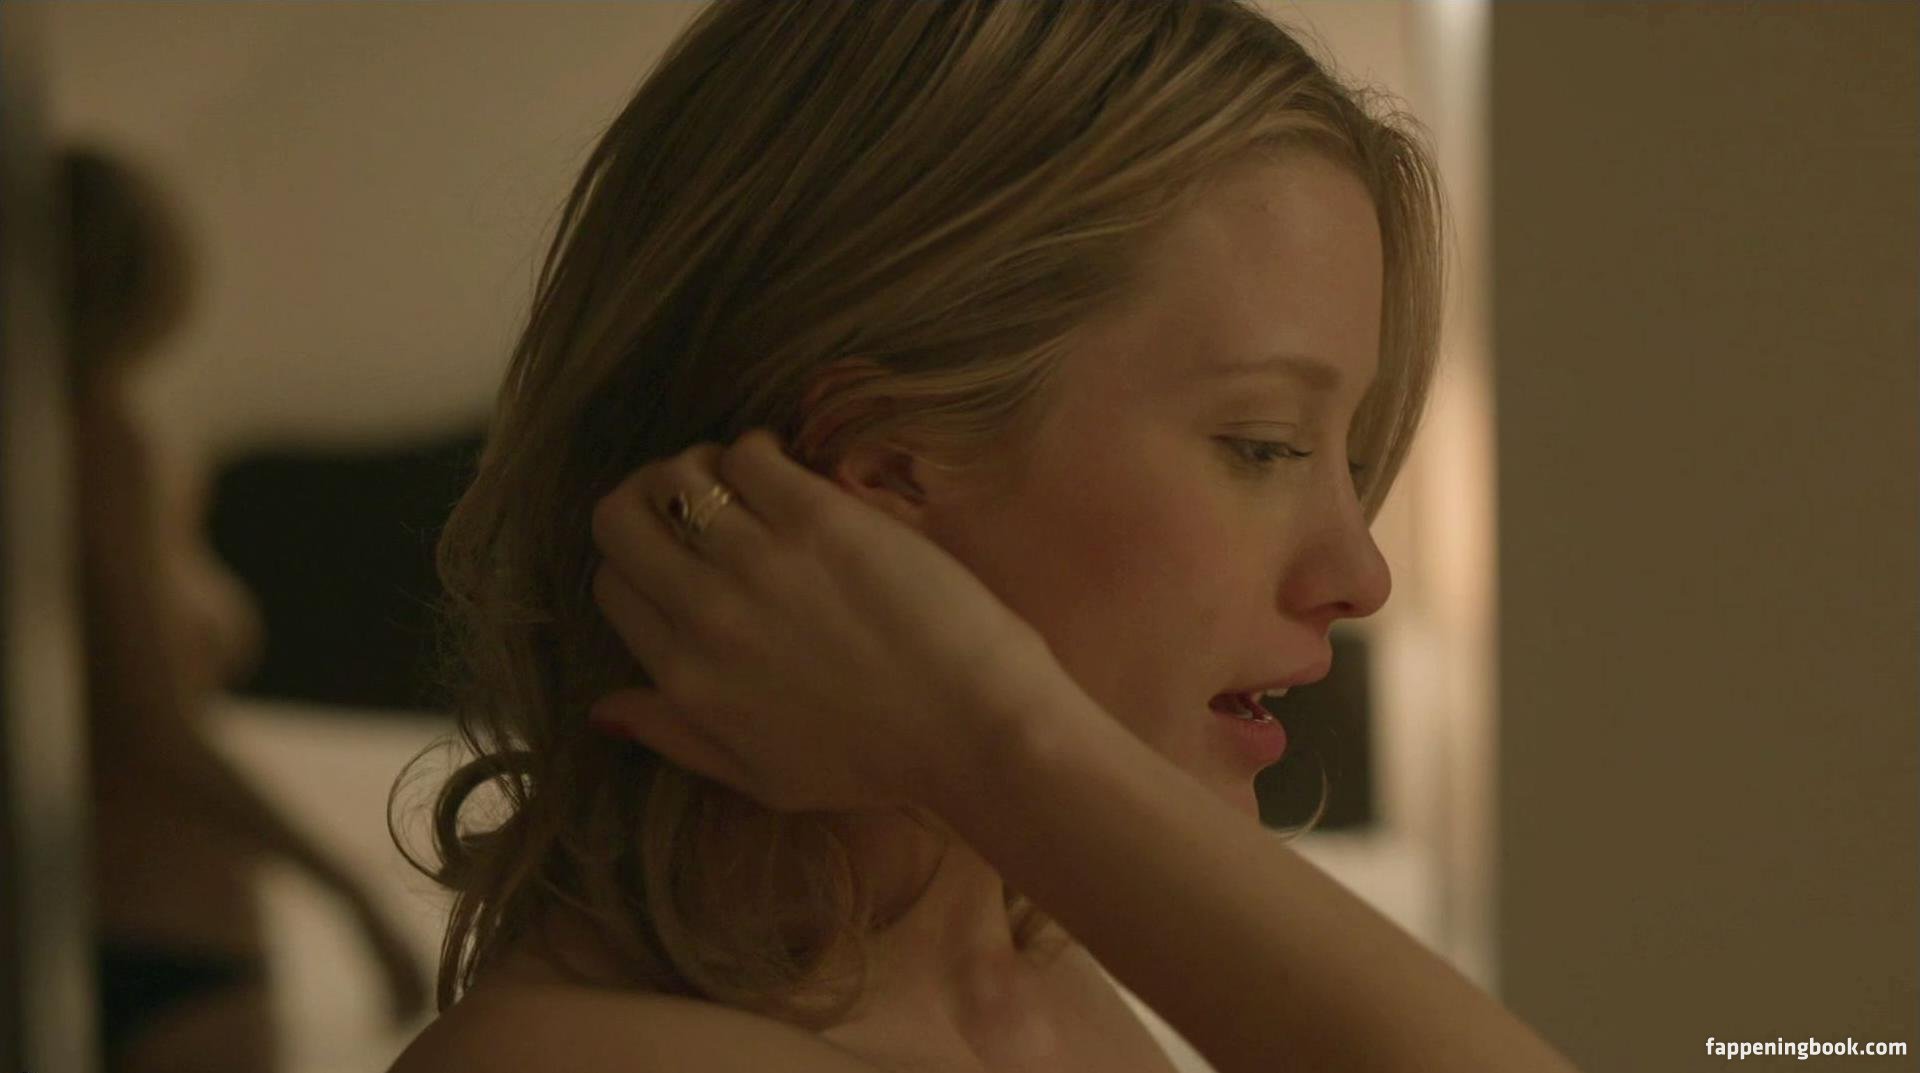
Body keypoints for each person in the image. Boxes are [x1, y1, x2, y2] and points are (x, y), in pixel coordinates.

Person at [389, 3, 1584, 1071]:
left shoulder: (1043, 989)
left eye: (1351, 457)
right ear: (879, 470)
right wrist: (1006, 739)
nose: (1360, 574)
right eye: (1264, 444)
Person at [63, 146, 427, 1072]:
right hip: (171, 922)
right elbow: (158, 732)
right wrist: (355, 894)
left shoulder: (71, 450)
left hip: (118, 914)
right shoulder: (102, 446)